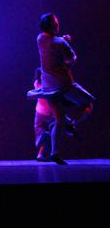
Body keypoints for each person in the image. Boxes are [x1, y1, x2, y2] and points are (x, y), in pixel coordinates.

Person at [26, 13, 95, 165]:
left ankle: (55, 153)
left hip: (49, 89)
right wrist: (66, 45)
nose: (58, 25)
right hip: (64, 85)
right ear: (52, 26)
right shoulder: (61, 43)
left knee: (59, 120)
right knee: (89, 104)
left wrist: (62, 41)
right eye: (56, 24)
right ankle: (72, 123)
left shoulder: (40, 39)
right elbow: (71, 59)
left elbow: (52, 43)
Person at [32, 68, 55, 162]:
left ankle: (40, 154)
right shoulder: (47, 84)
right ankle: (52, 154)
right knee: (54, 133)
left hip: (39, 111)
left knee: (42, 134)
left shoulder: (36, 82)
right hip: (49, 112)